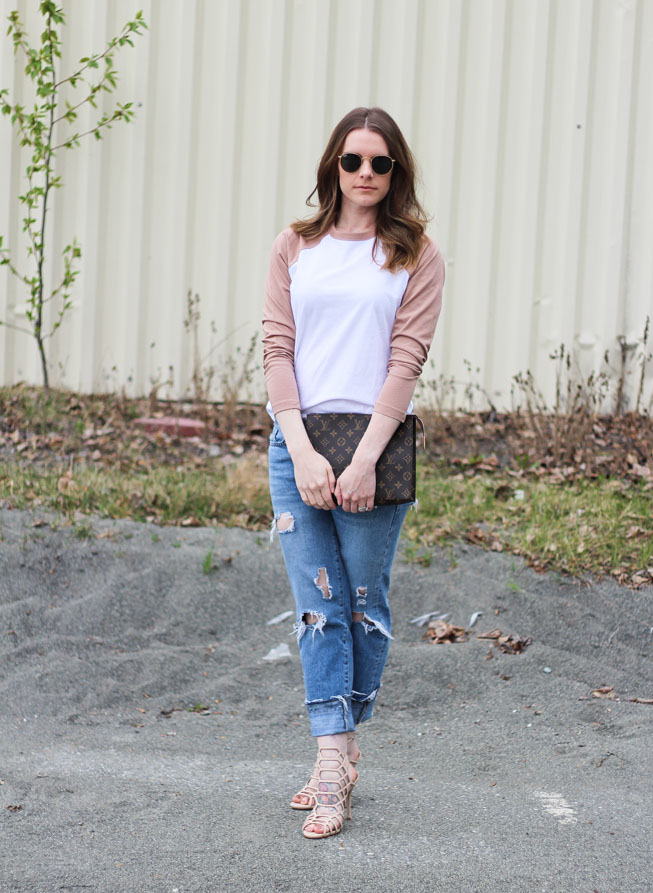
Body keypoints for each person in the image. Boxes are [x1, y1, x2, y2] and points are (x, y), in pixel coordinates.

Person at [262, 106, 445, 839]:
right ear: (332, 167)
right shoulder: (294, 246)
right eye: (352, 160)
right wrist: (302, 451)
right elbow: (277, 350)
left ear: (396, 173)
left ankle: (340, 738)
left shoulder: (414, 254)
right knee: (318, 606)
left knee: (363, 605)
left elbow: (406, 359)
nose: (365, 173)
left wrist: (364, 459)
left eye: (380, 163)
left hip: (377, 446)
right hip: (297, 444)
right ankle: (332, 761)